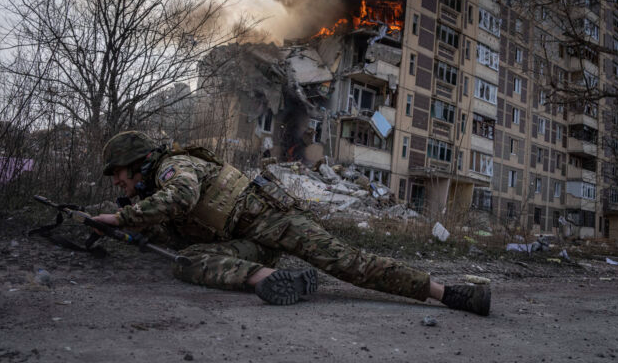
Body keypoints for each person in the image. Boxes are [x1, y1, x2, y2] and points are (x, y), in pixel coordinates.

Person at [93, 131, 491, 315]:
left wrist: (121, 215)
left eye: (119, 172)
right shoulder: (151, 187)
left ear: (139, 161)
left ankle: (449, 293)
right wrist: (119, 226)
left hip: (277, 222)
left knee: (350, 264)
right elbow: (173, 229)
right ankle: (269, 278)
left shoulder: (172, 167)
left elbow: (182, 196)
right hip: (250, 244)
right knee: (186, 260)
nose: (117, 181)